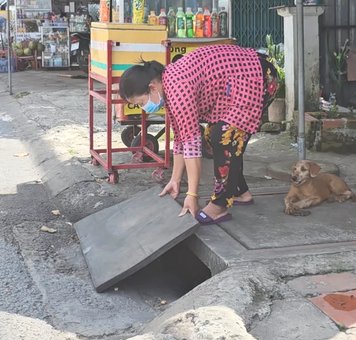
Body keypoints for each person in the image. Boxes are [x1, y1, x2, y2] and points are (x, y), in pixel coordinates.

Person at [118, 45, 280, 226]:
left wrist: (192, 194)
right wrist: (175, 180)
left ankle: (219, 206)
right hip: (239, 82)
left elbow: (192, 147)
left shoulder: (177, 87)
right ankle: (240, 192)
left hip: (258, 77)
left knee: (224, 137)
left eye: (141, 102)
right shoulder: (168, 86)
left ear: (152, 87)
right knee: (213, 138)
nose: (143, 108)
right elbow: (180, 138)